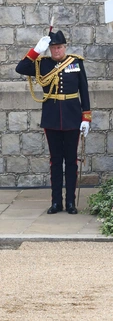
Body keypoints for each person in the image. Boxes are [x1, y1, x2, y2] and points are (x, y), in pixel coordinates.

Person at [15, 31, 91, 215]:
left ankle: (71, 202)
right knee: (55, 161)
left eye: (59, 47)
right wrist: (35, 51)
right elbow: (21, 68)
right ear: (49, 49)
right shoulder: (43, 64)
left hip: (72, 117)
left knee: (71, 161)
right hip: (51, 117)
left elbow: (84, 90)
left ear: (65, 47)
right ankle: (56, 202)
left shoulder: (76, 62)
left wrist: (86, 117)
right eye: (53, 48)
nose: (56, 50)